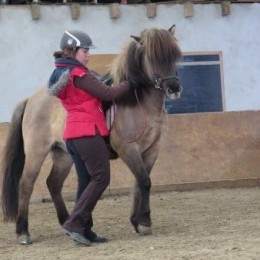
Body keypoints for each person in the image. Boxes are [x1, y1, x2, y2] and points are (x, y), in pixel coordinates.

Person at [48, 30, 130, 246]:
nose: (88, 55)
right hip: (87, 132)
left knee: (86, 182)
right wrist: (131, 83)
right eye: (85, 51)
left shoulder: (64, 73)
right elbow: (108, 94)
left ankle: (84, 229)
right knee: (101, 178)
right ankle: (74, 223)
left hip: (73, 135)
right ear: (73, 51)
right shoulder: (78, 75)